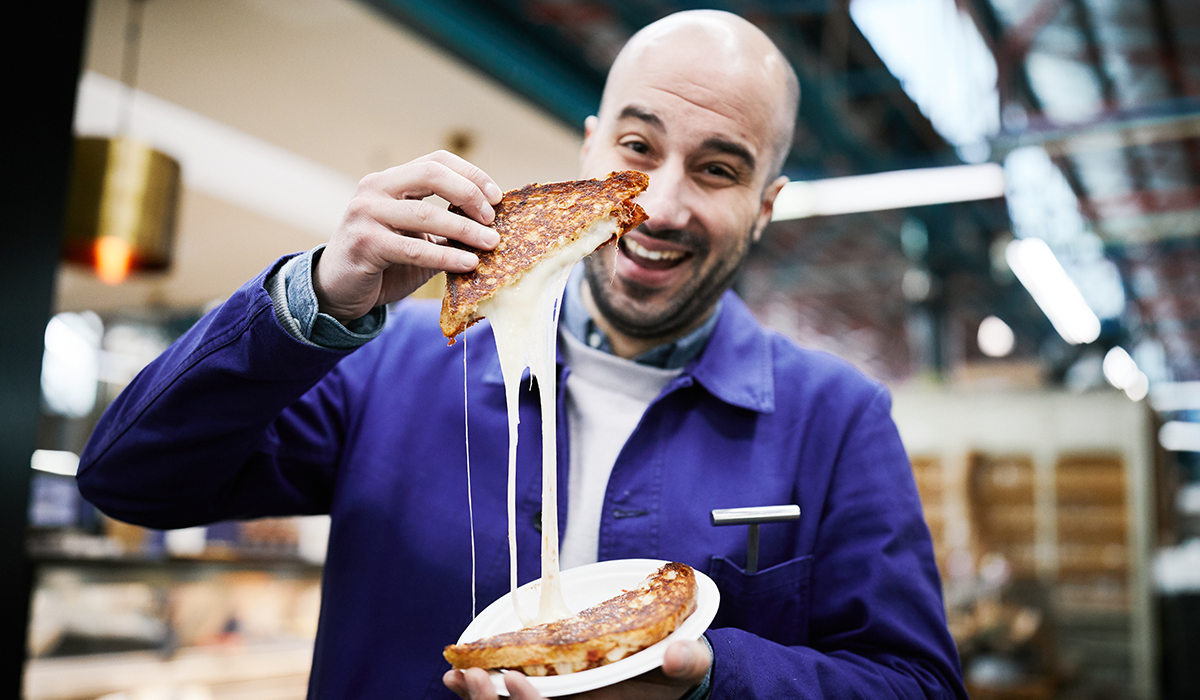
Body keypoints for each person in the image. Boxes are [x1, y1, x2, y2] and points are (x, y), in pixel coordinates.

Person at [77, 10, 966, 700]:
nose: (658, 203)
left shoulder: (835, 421)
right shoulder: (391, 372)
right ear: (590, 144)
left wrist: (713, 679)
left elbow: (917, 684)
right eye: (637, 147)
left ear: (768, 207)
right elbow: (130, 479)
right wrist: (315, 294)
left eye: (719, 169)